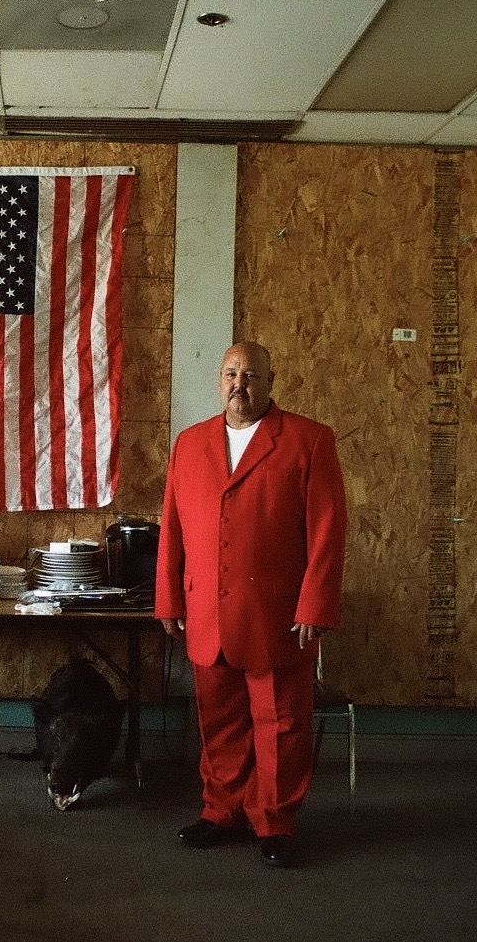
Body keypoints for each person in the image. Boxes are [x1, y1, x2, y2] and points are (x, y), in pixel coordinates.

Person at [155, 341, 347, 868]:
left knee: (281, 721)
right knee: (219, 721)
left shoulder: (309, 441)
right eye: (231, 374)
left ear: (271, 381)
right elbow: (172, 528)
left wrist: (315, 605)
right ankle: (221, 812)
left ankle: (275, 821)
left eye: (252, 375)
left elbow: (328, 531)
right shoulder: (189, 445)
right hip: (207, 615)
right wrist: (169, 597)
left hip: (279, 616)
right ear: (219, 381)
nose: (241, 384)